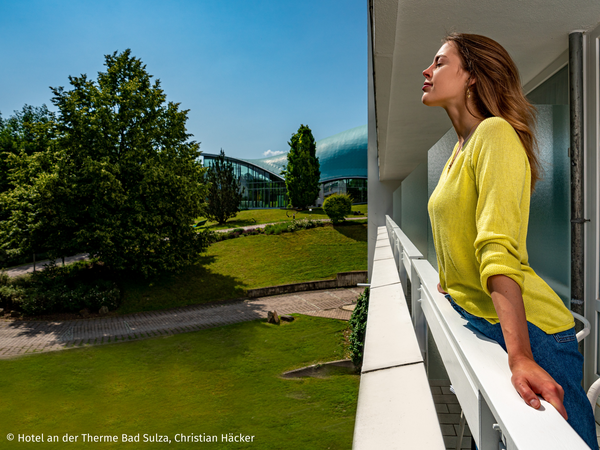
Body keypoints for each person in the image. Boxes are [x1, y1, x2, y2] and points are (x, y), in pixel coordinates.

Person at [423, 33, 598, 449]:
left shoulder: (495, 134)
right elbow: (462, 230)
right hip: (491, 321)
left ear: (471, 76)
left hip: (533, 334)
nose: (426, 71)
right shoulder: (460, 147)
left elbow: (497, 249)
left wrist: (520, 357)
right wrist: (453, 281)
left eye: (440, 62)